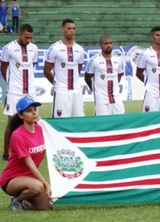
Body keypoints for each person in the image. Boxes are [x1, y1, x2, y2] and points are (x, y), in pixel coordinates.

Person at [0, 96, 52, 211]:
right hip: (11, 179)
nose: (33, 113)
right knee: (38, 187)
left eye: (35, 109)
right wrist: (45, 184)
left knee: (46, 207)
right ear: (21, 115)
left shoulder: (39, 128)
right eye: (29, 111)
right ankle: (16, 200)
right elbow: (30, 164)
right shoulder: (18, 135)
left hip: (29, 178)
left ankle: (25, 201)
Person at [1, 24, 38, 161]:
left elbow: (32, 66)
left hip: (30, 91)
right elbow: (3, 66)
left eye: (30, 38)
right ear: (20, 34)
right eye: (26, 37)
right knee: (12, 122)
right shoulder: (9, 48)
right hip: (14, 91)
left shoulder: (34, 49)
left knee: (33, 120)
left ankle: (31, 149)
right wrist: (10, 83)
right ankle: (6, 153)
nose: (28, 40)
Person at [44, 18, 85, 118]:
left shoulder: (79, 49)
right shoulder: (54, 48)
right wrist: (56, 83)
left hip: (76, 90)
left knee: (78, 121)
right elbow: (46, 70)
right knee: (60, 122)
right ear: (62, 29)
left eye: (73, 29)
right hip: (61, 91)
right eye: (69, 28)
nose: (72, 31)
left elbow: (78, 69)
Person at [85, 36, 125, 115]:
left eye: (110, 43)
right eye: (106, 43)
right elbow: (87, 77)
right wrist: (94, 90)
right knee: (102, 124)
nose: (109, 45)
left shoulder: (118, 59)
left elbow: (119, 75)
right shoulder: (94, 60)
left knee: (120, 121)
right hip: (101, 100)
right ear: (100, 46)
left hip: (116, 98)